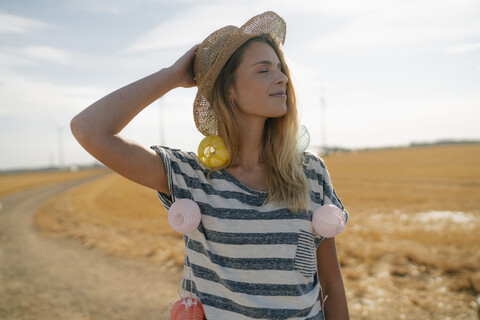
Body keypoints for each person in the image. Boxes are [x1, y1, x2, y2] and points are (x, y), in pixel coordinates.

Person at [71, 11, 350, 320]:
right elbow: (88, 129)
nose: (282, 77)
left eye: (280, 68)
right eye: (263, 70)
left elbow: (332, 285)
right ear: (229, 91)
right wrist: (172, 76)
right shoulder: (191, 177)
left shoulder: (310, 172)